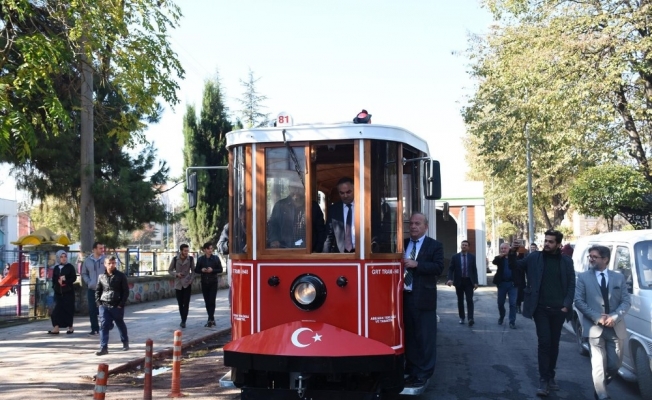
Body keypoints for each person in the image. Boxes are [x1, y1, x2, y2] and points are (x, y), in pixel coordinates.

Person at [510, 230, 575, 397]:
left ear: (559, 244)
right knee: (544, 342)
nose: (547, 244)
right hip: (540, 309)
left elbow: (571, 285)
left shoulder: (566, 261)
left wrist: (566, 305)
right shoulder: (534, 257)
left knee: (554, 344)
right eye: (546, 241)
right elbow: (516, 266)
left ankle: (551, 375)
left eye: (551, 242)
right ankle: (544, 379)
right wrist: (512, 251)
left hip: (559, 309)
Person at [574, 245, 630, 400]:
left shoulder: (618, 277)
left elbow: (626, 301)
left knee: (614, 365)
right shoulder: (584, 277)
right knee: (598, 363)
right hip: (594, 328)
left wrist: (614, 317)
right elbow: (578, 301)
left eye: (594, 256)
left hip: (615, 326)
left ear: (605, 259)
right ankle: (601, 394)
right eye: (589, 256)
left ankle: (601, 385)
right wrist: (597, 317)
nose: (591, 259)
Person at [403, 212, 444, 389]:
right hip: (404, 298)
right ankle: (412, 372)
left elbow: (439, 267)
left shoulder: (435, 245)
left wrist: (417, 264)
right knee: (410, 337)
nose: (413, 226)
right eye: (411, 223)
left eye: (417, 223)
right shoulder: (402, 244)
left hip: (424, 299)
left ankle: (424, 373)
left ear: (425, 226)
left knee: (425, 338)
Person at [95, 256, 129, 355]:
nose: (112, 265)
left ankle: (125, 342)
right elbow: (98, 291)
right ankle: (103, 347)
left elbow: (125, 291)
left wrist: (121, 304)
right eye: (109, 263)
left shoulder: (121, 276)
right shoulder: (101, 277)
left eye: (113, 263)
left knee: (120, 323)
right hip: (104, 304)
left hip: (116, 304)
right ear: (105, 264)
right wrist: (99, 304)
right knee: (104, 326)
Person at [446, 240, 478, 326]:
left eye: (466, 245)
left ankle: (470, 318)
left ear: (468, 247)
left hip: (468, 282)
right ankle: (462, 317)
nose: (464, 246)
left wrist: (475, 282)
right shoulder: (455, 257)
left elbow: (474, 270)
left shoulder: (472, 257)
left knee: (469, 300)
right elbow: (451, 269)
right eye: (462, 245)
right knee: (460, 300)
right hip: (459, 281)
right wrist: (449, 279)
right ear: (461, 246)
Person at [493, 242, 523, 329]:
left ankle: (512, 321)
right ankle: (502, 316)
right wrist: (500, 256)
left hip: (512, 284)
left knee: (513, 304)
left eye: (505, 248)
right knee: (500, 303)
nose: (503, 250)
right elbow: (494, 262)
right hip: (502, 284)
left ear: (509, 249)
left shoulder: (514, 258)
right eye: (501, 248)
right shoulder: (499, 259)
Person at [47, 250, 77, 334]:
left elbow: (73, 278)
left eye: (65, 257)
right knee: (56, 311)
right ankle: (56, 327)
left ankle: (70, 327)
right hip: (58, 293)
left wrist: (65, 281)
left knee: (68, 310)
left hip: (68, 292)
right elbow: (53, 278)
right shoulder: (56, 268)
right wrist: (56, 284)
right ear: (58, 258)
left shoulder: (70, 267)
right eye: (61, 257)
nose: (63, 258)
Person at [324, 177, 356, 253]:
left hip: (361, 253)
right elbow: (329, 235)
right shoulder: (333, 209)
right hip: (341, 254)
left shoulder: (364, 207)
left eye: (348, 192)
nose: (345, 195)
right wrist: (324, 258)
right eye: (342, 193)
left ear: (355, 190)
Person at [195, 242, 223, 327]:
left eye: (211, 248)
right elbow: (196, 270)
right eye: (208, 249)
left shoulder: (215, 258)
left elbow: (220, 269)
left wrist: (212, 270)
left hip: (213, 282)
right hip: (204, 282)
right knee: (207, 302)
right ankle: (211, 318)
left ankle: (210, 319)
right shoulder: (200, 259)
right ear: (204, 250)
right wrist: (202, 270)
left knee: (212, 301)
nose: (210, 250)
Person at [81, 241, 105, 335]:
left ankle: (104, 327)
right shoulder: (87, 260)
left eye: (103, 248)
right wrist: (88, 282)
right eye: (100, 248)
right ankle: (94, 328)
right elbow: (84, 273)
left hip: (103, 289)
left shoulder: (105, 259)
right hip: (92, 288)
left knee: (103, 309)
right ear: (94, 249)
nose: (102, 250)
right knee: (92, 310)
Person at [169, 244, 195, 328]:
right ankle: (182, 318)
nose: (186, 252)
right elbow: (169, 270)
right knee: (180, 303)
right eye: (185, 251)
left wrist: (191, 280)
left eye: (187, 250)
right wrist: (176, 274)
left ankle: (184, 321)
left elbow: (193, 271)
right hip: (178, 284)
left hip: (187, 283)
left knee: (186, 303)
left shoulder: (190, 259)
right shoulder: (175, 259)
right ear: (181, 251)